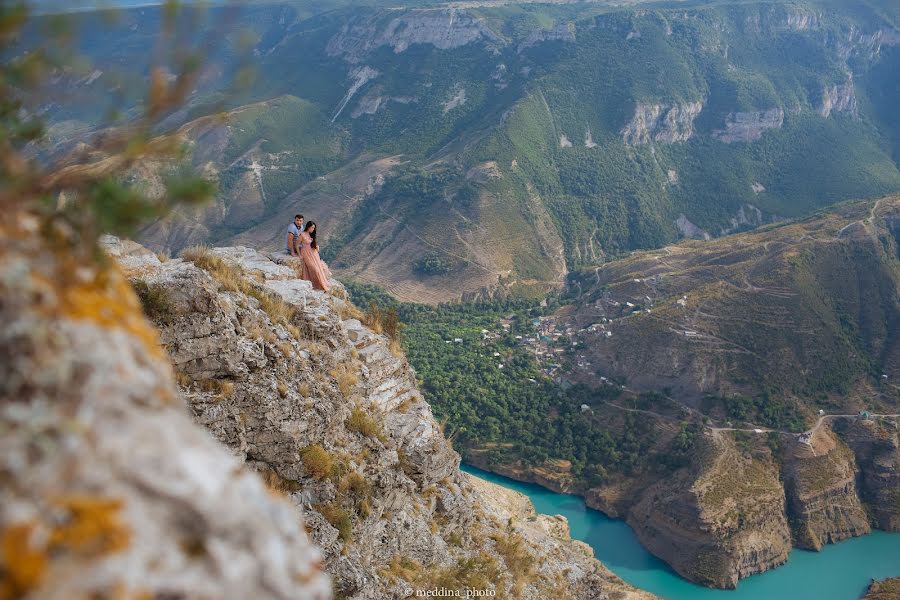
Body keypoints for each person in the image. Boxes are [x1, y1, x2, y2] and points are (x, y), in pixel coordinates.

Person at [299, 221, 330, 292]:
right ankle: (315, 285)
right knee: (314, 269)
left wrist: (316, 246)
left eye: (314, 228)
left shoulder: (311, 234)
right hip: (306, 253)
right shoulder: (302, 234)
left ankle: (321, 284)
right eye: (312, 227)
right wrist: (299, 254)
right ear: (308, 227)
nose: (313, 229)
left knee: (318, 268)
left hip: (314, 253)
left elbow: (311, 243)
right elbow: (297, 245)